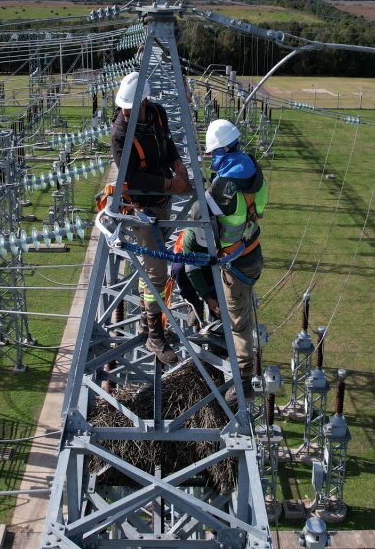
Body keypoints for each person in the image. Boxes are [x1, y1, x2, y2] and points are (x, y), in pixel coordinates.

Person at [110, 71, 191, 365]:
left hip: (161, 200)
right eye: (124, 106)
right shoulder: (120, 132)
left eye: (131, 105)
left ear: (144, 100)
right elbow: (132, 176)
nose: (126, 111)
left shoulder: (157, 113)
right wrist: (172, 184)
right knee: (156, 271)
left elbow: (167, 145)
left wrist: (178, 164)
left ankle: (147, 320)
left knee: (153, 268)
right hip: (141, 209)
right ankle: (154, 336)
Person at [204, 119, 267, 403]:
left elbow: (205, 218)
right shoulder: (253, 169)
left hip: (235, 262)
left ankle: (242, 382)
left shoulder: (223, 186)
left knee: (239, 323)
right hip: (253, 251)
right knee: (242, 311)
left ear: (220, 150)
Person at [171, 204, 221, 331]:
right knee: (179, 268)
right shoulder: (190, 237)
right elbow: (192, 270)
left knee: (221, 310)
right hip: (194, 269)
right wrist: (208, 298)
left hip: (216, 268)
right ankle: (194, 305)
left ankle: (220, 328)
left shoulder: (223, 228)